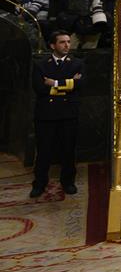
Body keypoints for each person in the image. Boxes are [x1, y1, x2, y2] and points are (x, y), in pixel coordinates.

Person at [30, 30, 84, 198]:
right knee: (44, 151)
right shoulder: (40, 64)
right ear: (53, 45)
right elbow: (39, 88)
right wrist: (68, 84)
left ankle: (68, 182)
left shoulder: (77, 63)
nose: (67, 45)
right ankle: (39, 183)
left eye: (68, 41)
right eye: (62, 42)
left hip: (68, 113)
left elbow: (80, 86)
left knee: (68, 150)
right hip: (46, 115)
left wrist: (53, 83)